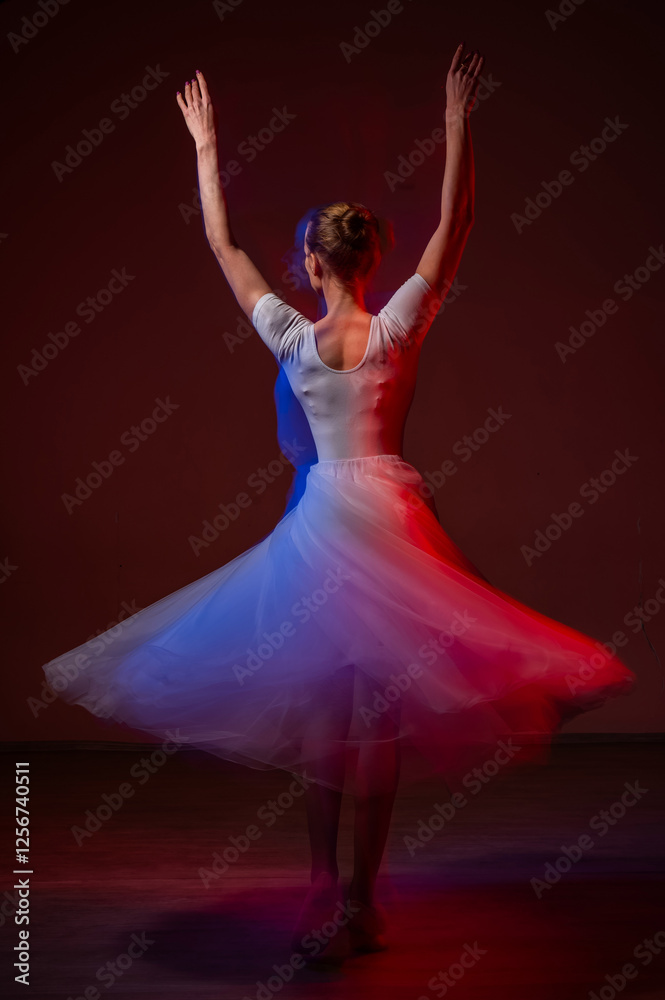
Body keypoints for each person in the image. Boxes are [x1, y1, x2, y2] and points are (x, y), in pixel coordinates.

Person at [42, 46, 636, 964]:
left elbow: (222, 246)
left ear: (310, 264)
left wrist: (204, 145)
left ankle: (334, 891)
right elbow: (461, 220)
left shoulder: (289, 333)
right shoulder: (398, 323)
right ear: (359, 259)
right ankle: (358, 899)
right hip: (389, 525)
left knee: (329, 728)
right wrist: (455, 119)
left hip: (324, 526)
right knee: (378, 729)